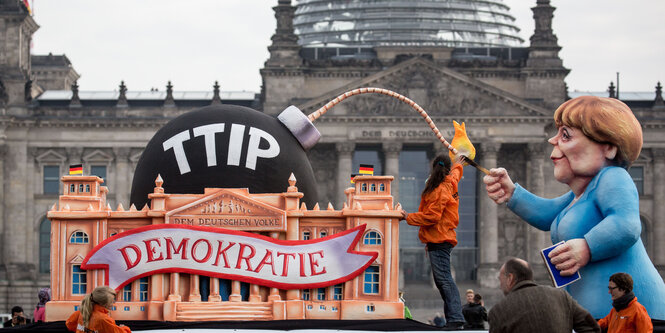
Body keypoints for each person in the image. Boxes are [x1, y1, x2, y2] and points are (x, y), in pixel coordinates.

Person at [483, 96, 665, 319]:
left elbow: (626, 224)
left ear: (608, 147)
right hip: (597, 316)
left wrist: (587, 246)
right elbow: (548, 214)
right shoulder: (580, 195)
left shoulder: (614, 178)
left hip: (635, 316)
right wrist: (513, 193)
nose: (552, 140)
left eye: (565, 135)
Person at [399, 153, 465, 329]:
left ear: (433, 167)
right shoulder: (450, 182)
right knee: (443, 280)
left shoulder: (439, 189)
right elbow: (456, 173)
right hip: (441, 238)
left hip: (440, 238)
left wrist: (408, 217)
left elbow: (432, 216)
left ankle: (455, 318)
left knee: (444, 280)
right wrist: (459, 164)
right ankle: (454, 317)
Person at [488, 258, 599, 333]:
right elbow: (591, 328)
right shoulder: (561, 297)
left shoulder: (498, 311)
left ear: (510, 278)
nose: (500, 285)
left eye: (500, 279)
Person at [66, 286, 131, 333]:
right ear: (103, 304)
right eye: (111, 301)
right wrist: (124, 328)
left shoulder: (81, 312)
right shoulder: (104, 320)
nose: (113, 303)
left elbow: (69, 324)